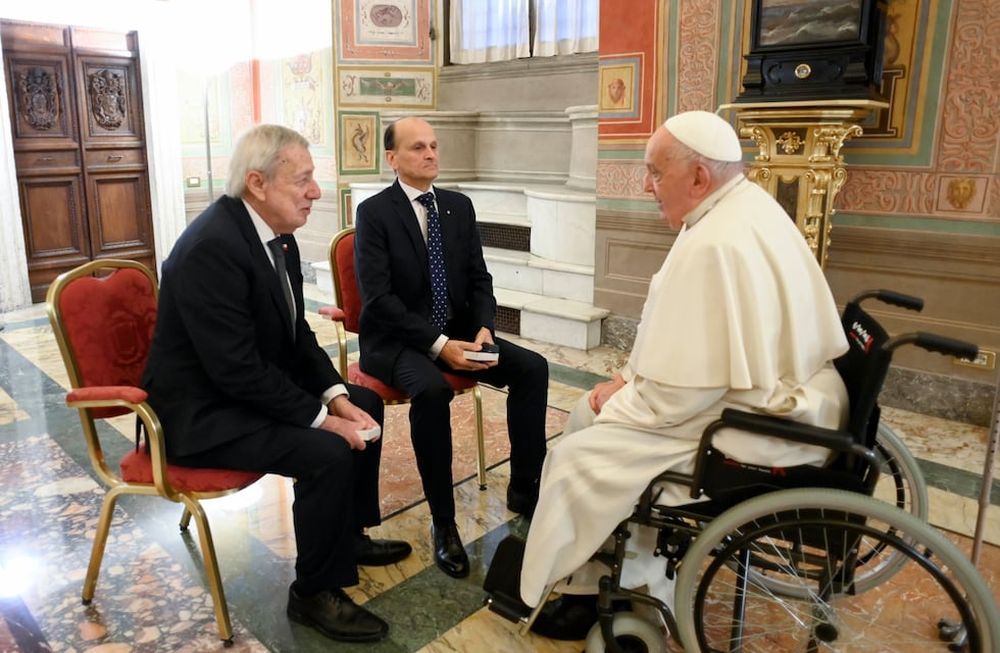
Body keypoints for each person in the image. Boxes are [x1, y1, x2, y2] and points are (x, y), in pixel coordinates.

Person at [516, 110, 850, 629]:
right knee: (592, 412)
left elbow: (679, 398)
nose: (647, 186)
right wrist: (629, 380)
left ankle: (605, 587)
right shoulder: (742, 206)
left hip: (751, 420)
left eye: (655, 172)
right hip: (778, 394)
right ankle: (616, 573)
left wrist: (622, 399)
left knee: (577, 455)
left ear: (698, 176)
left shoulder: (716, 241)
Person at [142, 124, 411, 643]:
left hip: (239, 390)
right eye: (304, 180)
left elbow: (296, 334)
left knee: (364, 402)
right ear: (258, 183)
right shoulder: (212, 248)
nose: (315, 192)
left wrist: (335, 397)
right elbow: (235, 370)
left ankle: (345, 535)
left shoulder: (275, 237)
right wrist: (321, 420)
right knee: (326, 451)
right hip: (202, 414)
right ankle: (313, 591)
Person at [353, 117, 549, 579]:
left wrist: (483, 328)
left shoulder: (458, 206)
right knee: (432, 391)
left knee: (532, 368)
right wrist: (440, 347)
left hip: (460, 332)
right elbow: (379, 302)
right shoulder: (375, 213)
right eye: (418, 147)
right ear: (392, 159)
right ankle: (445, 524)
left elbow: (480, 278)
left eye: (434, 146)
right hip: (398, 342)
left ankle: (524, 485)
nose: (430, 154)